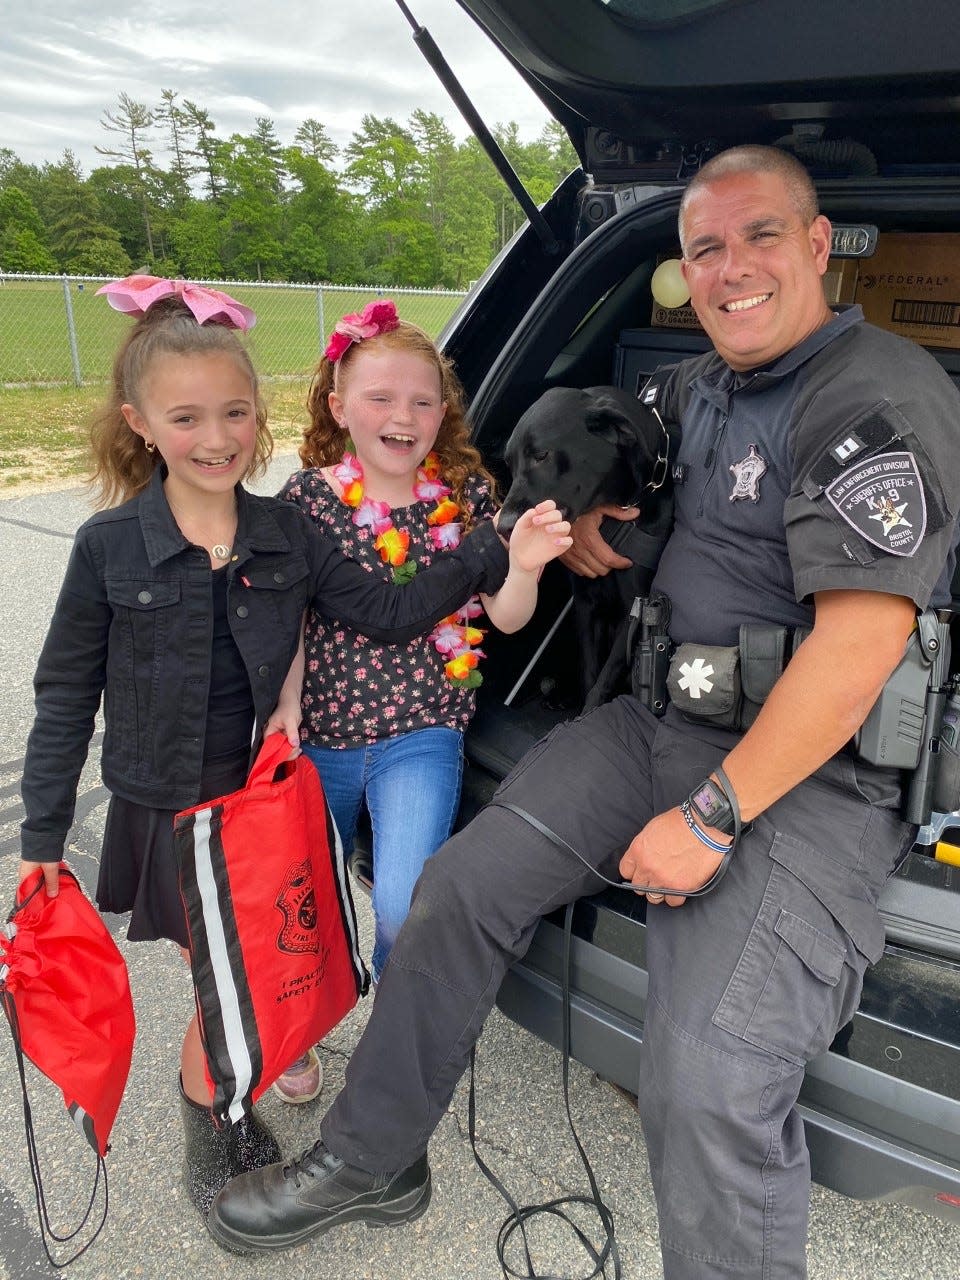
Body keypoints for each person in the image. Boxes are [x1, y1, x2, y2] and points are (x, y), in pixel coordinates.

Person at [208, 147, 960, 1278]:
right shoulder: (698, 387)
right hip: (653, 720)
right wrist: (598, 522)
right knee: (455, 890)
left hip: (806, 775)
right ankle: (374, 1158)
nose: (729, 267)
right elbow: (615, 461)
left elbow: (863, 642)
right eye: (704, 246)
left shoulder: (875, 391)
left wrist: (711, 815)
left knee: (707, 1071)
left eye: (760, 236)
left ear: (818, 245)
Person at [16, 277, 571, 1222]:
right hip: (163, 802)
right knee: (212, 964)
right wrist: (42, 836)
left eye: (235, 412)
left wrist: (496, 547)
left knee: (262, 953)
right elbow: (66, 690)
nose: (218, 436)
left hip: (261, 792)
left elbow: (385, 610)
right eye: (187, 417)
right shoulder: (110, 546)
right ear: (141, 424)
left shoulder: (286, 531)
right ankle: (211, 1108)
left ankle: (233, 1081)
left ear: (261, 416)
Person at [268, 302, 557, 1106]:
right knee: (305, 904)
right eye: (381, 398)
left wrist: (523, 564)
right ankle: (300, 1026)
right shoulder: (309, 501)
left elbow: (503, 616)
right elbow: (288, 616)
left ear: (444, 411)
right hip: (322, 731)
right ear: (338, 406)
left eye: (423, 401)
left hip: (420, 733)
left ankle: (391, 1037)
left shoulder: (466, 495)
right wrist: (284, 708)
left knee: (403, 903)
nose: (404, 416)